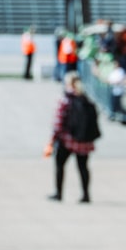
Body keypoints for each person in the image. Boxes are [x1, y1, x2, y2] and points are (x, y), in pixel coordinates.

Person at [44, 71, 100, 203]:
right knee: (83, 167)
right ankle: (86, 195)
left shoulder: (65, 99)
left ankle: (58, 193)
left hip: (67, 139)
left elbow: (58, 123)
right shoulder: (86, 98)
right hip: (84, 140)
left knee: (60, 165)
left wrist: (52, 140)